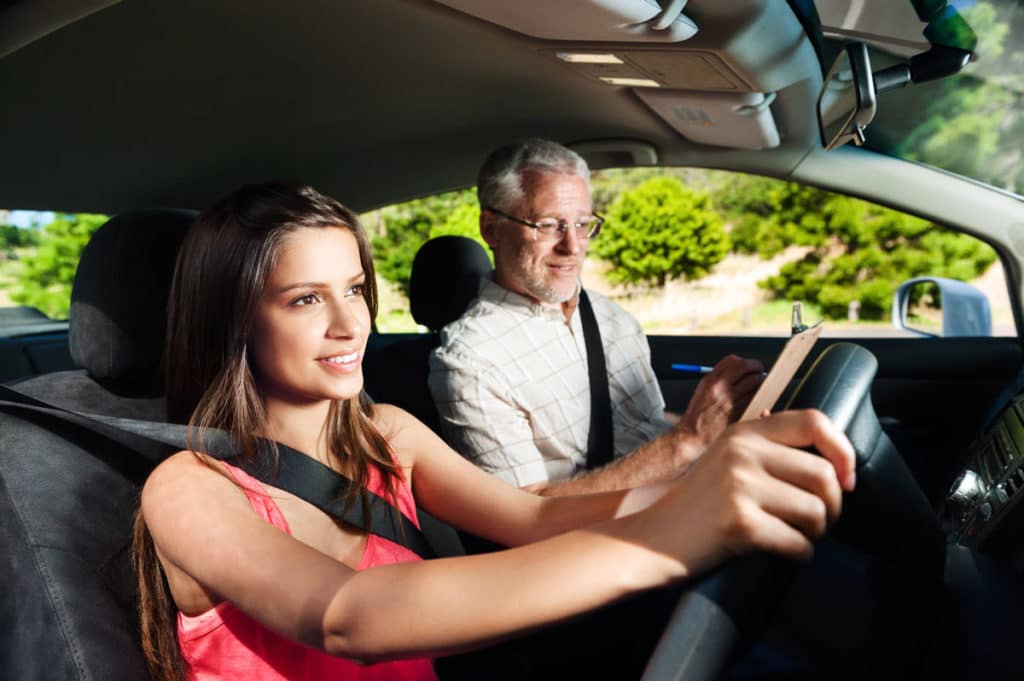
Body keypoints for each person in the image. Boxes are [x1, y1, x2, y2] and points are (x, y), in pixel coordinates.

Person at [133, 182, 855, 681]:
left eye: (354, 288)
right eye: (305, 299)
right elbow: (346, 618)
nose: (351, 322)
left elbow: (535, 515)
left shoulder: (385, 433)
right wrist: (668, 539)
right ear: (234, 322)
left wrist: (708, 478)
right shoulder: (189, 489)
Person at [429, 138, 765, 495]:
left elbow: (643, 429)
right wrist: (687, 440)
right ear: (491, 229)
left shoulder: (611, 318)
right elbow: (528, 512)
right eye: (548, 225)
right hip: (616, 539)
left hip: (694, 498)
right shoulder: (470, 363)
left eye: (582, 223)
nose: (572, 246)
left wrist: (721, 426)